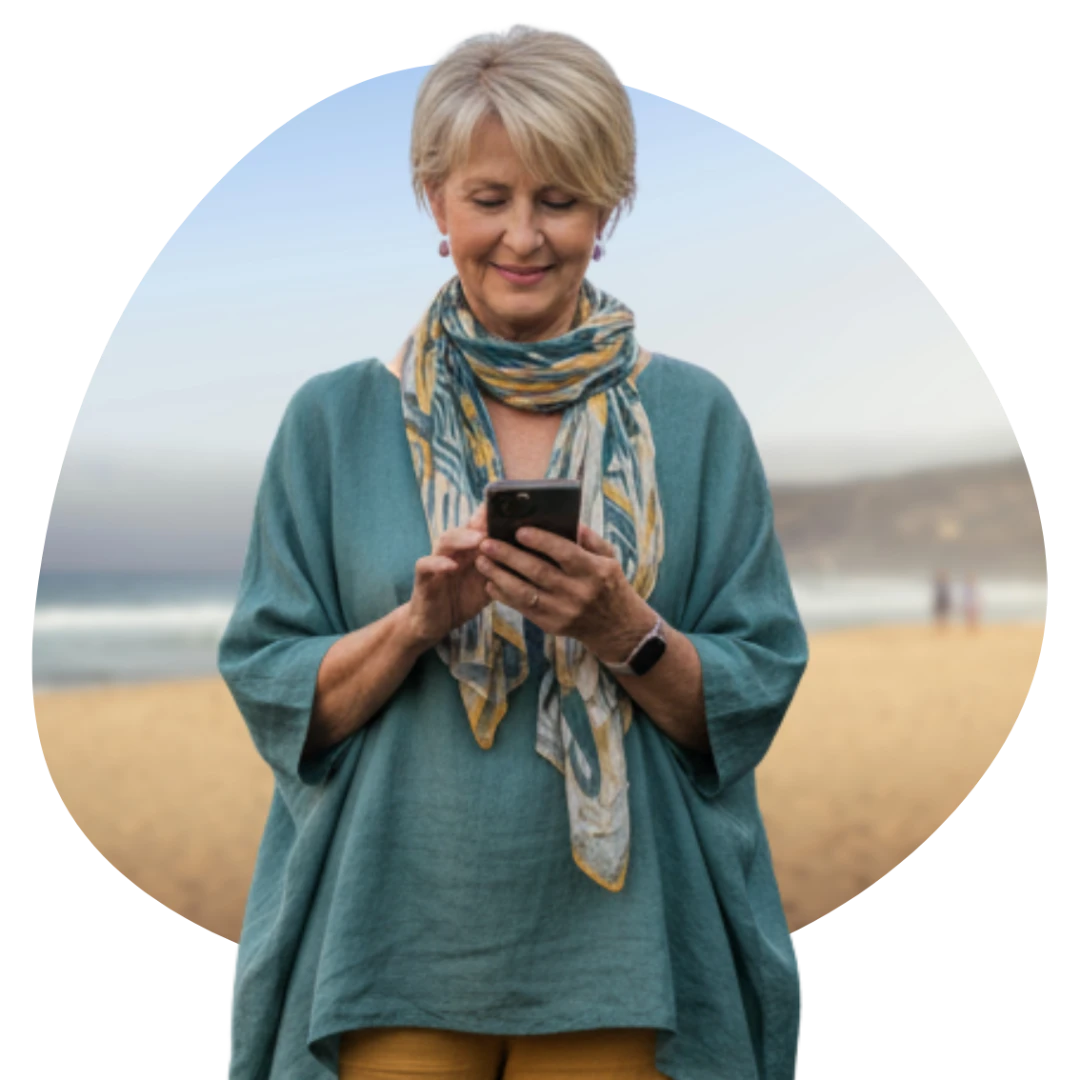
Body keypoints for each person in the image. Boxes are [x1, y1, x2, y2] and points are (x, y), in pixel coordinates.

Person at [218, 24, 808, 1080]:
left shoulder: (696, 416)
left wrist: (619, 627)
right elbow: (274, 690)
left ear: (607, 209)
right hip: (392, 932)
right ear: (436, 205)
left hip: (624, 949)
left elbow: (749, 695)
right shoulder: (333, 420)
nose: (524, 237)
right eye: (490, 200)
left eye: (561, 200)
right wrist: (415, 626)